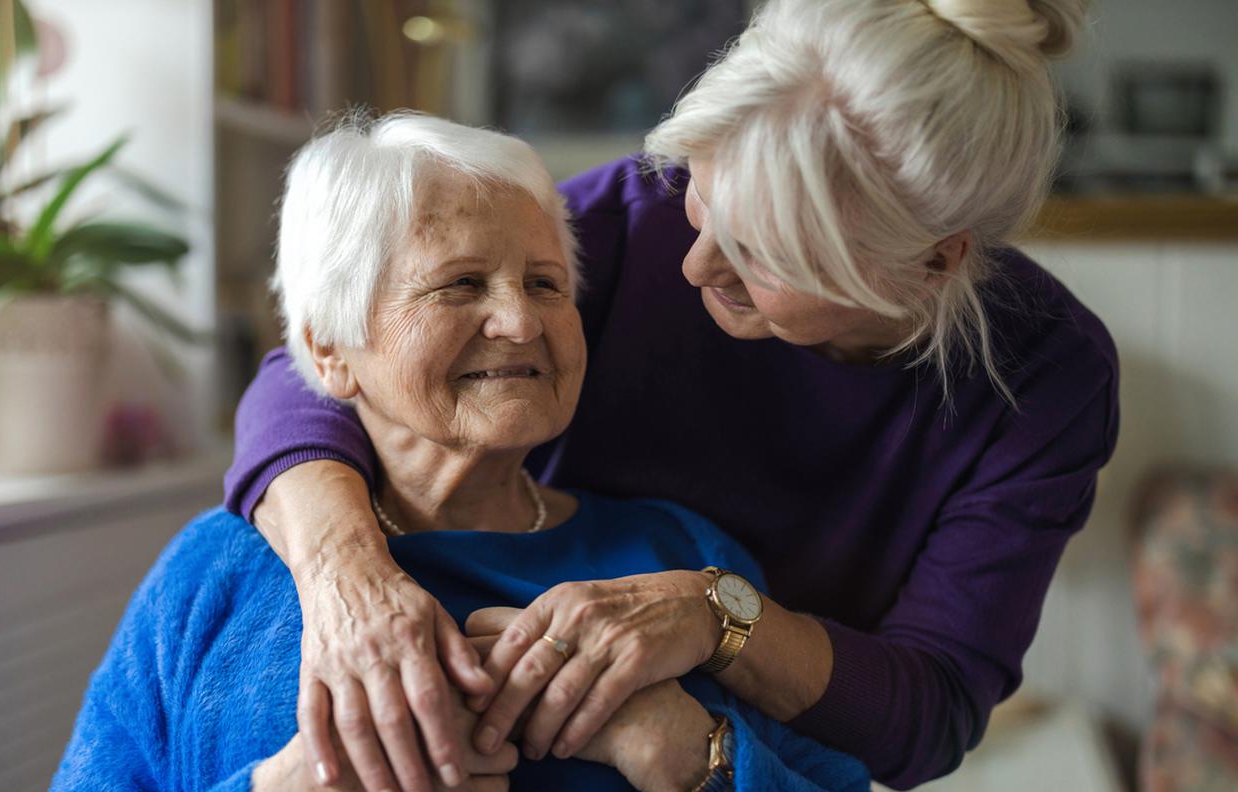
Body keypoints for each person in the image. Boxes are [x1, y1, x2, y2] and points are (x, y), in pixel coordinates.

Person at [225, 0, 1119, 789]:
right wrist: (350, 579)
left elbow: (931, 714)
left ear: (933, 262)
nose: (696, 266)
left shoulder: (1047, 375)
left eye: (766, 254)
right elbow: (321, 368)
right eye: (704, 198)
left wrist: (715, 620)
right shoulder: (635, 215)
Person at [53, 114, 870, 792]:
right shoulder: (217, 571)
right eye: (460, 285)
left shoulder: (682, 558)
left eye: (546, 284)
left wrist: (686, 749)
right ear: (330, 347)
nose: (521, 322)